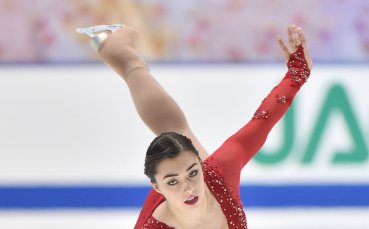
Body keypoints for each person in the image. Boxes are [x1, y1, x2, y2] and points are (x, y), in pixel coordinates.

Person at [78, 24, 312, 228]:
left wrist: (296, 75)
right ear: (157, 188)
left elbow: (262, 122)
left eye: (193, 172)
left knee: (176, 130)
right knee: (175, 129)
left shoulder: (219, 172)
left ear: (202, 165)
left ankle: (121, 54)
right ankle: (119, 52)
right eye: (172, 181)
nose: (188, 188)